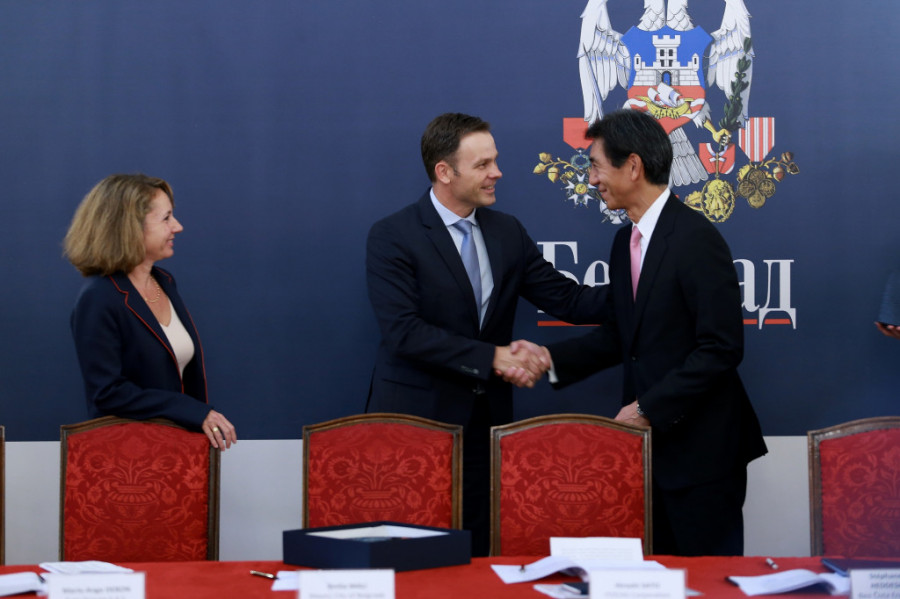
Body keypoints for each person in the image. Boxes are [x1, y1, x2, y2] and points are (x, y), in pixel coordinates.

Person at [506, 109, 767, 556]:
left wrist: (648, 407)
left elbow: (721, 348)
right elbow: (624, 337)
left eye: (596, 166)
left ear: (632, 166)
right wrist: (550, 360)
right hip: (651, 452)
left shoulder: (695, 239)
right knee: (656, 575)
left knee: (705, 579)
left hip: (703, 455)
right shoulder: (623, 242)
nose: (591, 179)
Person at [365, 113, 606, 555]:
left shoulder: (506, 231)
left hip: (486, 424)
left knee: (478, 552)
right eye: (483, 165)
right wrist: (493, 357)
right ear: (444, 172)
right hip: (415, 424)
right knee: (411, 555)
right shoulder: (393, 236)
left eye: (494, 160)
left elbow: (569, 300)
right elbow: (404, 332)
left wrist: (647, 285)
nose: (497, 173)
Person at [64, 173, 236, 450]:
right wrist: (191, 410)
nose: (178, 227)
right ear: (130, 228)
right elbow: (107, 394)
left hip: (179, 448)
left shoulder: (164, 281)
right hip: (132, 456)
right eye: (166, 218)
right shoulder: (98, 297)